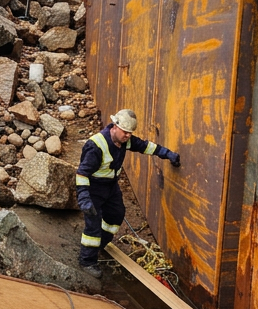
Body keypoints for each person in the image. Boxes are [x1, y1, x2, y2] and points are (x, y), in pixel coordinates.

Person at [74, 109, 180, 278]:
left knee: (117, 214)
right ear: (114, 127)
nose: (128, 136)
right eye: (125, 132)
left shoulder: (124, 141)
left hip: (110, 186)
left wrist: (167, 154)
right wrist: (85, 199)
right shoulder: (96, 145)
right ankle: (87, 261)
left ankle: (101, 244)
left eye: (130, 133)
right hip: (93, 188)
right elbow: (82, 174)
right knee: (93, 224)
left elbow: (145, 146)